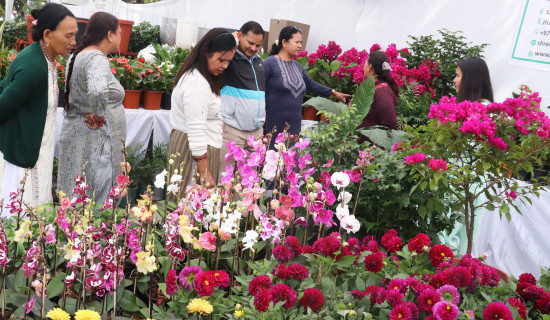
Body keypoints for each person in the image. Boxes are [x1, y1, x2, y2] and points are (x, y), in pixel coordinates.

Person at [0, 3, 77, 211]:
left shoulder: (43, 59)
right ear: (48, 34)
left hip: (33, 155)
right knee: (20, 222)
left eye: (75, 35)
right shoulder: (34, 66)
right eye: (69, 35)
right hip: (24, 164)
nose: (74, 42)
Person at [56, 12, 125, 204]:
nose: (121, 37)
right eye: (119, 32)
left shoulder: (80, 55)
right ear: (110, 35)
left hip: (81, 135)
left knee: (77, 191)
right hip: (95, 141)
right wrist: (100, 118)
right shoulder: (96, 58)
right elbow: (97, 91)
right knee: (95, 193)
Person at [169, 28, 236, 192]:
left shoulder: (201, 78)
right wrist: (205, 173)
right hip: (193, 152)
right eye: (221, 60)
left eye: (228, 61)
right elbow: (196, 130)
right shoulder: (196, 84)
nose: (225, 66)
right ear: (207, 52)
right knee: (188, 208)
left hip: (198, 151)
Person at [263, 26, 348, 147]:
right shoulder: (269, 63)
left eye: (301, 42)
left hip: (294, 126)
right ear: (284, 42)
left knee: (291, 160)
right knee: (273, 162)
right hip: (274, 126)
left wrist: (333, 92)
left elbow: (311, 84)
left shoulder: (297, 66)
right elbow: (258, 90)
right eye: (296, 42)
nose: (300, 46)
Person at [219, 21, 265, 180]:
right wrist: (232, 40)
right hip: (233, 130)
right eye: (250, 43)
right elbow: (211, 46)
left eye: (257, 45)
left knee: (248, 182)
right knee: (226, 180)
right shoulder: (229, 59)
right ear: (239, 36)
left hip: (256, 134)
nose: (253, 48)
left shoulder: (258, 61)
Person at [358, 50, 399, 133]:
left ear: (370, 66)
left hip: (371, 145)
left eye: (365, 64)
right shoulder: (372, 88)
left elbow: (390, 125)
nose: (363, 67)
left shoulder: (383, 92)